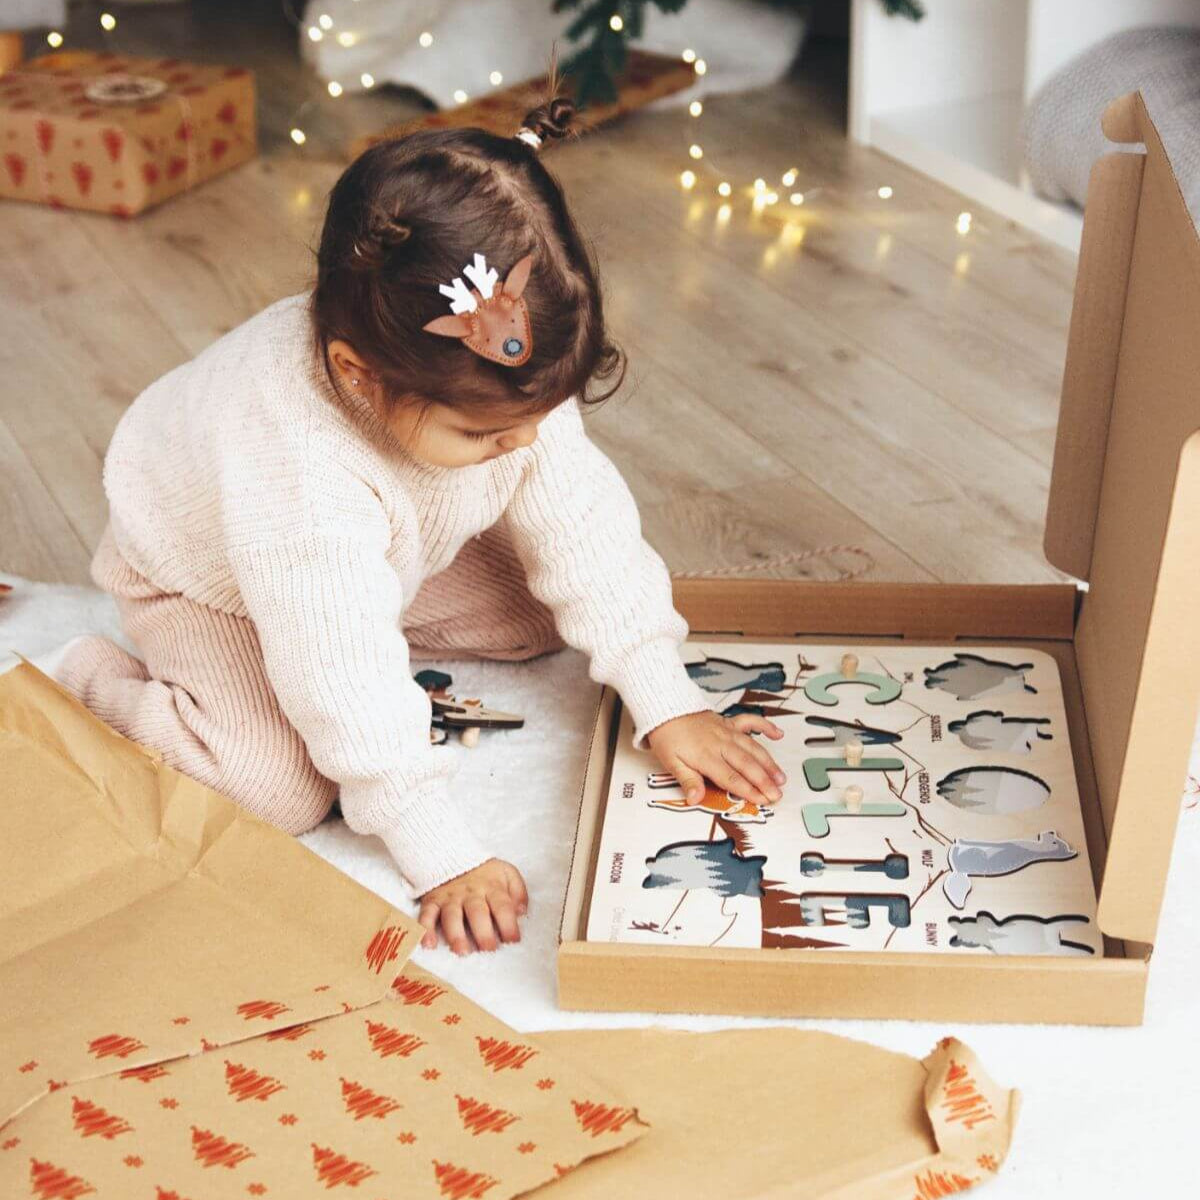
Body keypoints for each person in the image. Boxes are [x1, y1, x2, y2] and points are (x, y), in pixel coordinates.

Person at [59, 98, 786, 955]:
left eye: (534, 420)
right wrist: (436, 848)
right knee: (280, 785)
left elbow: (587, 531)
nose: (521, 446)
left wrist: (666, 703)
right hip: (205, 583)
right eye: (483, 434)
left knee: (547, 615)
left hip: (377, 554)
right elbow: (338, 673)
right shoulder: (297, 464)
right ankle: (94, 680)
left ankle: (382, 597)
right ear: (356, 375)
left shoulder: (505, 397)